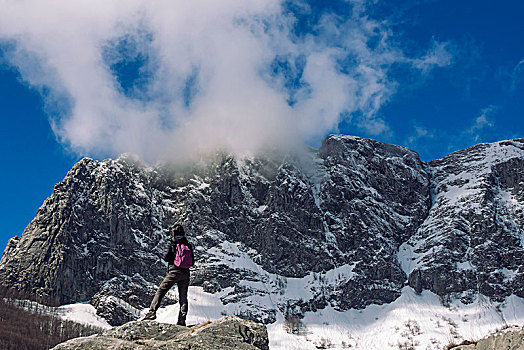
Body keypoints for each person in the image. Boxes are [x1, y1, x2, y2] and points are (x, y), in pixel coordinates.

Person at [143, 224, 194, 325]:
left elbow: (167, 258)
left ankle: (152, 312)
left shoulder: (174, 243)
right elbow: (192, 261)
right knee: (183, 297)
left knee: (161, 290)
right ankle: (182, 320)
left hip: (174, 272)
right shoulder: (188, 244)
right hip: (186, 273)